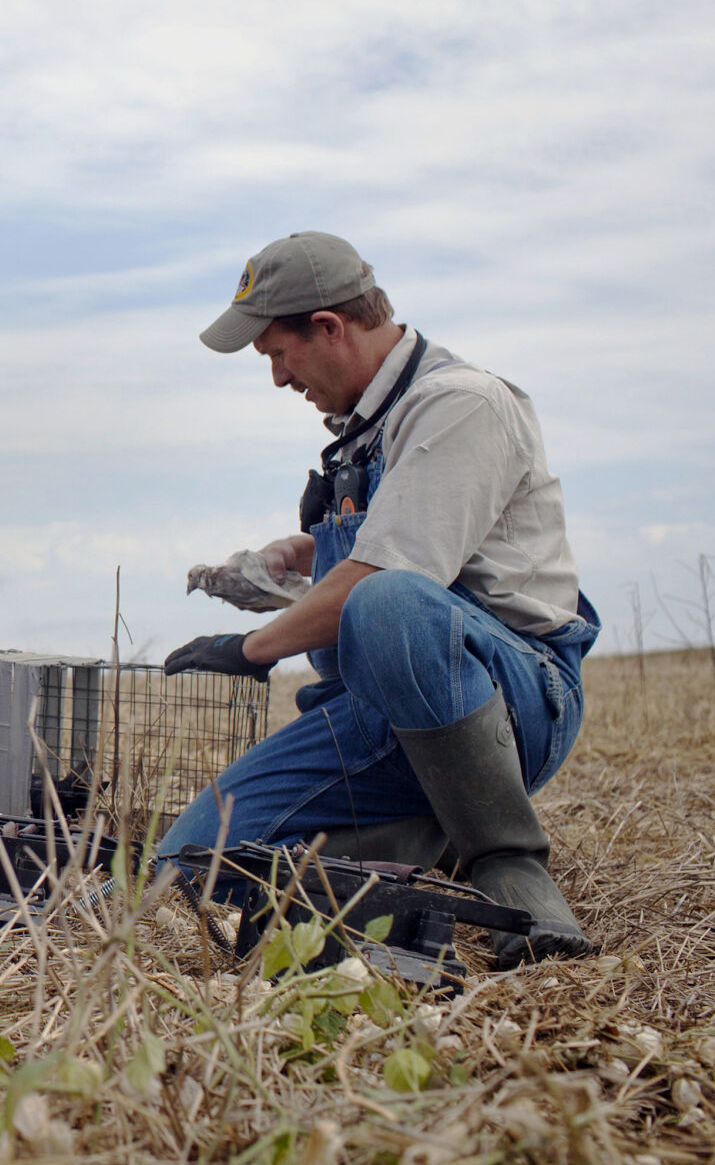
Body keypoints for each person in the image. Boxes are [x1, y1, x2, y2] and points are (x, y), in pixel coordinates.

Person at [159, 231, 600, 968]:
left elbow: (378, 580)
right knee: (190, 861)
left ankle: (504, 859)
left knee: (389, 602)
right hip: (371, 712)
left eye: (275, 353)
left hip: (507, 694)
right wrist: (291, 554)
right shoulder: (367, 428)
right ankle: (413, 842)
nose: (275, 378)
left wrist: (248, 648)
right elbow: (385, 532)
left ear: (329, 327)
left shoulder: (460, 405)